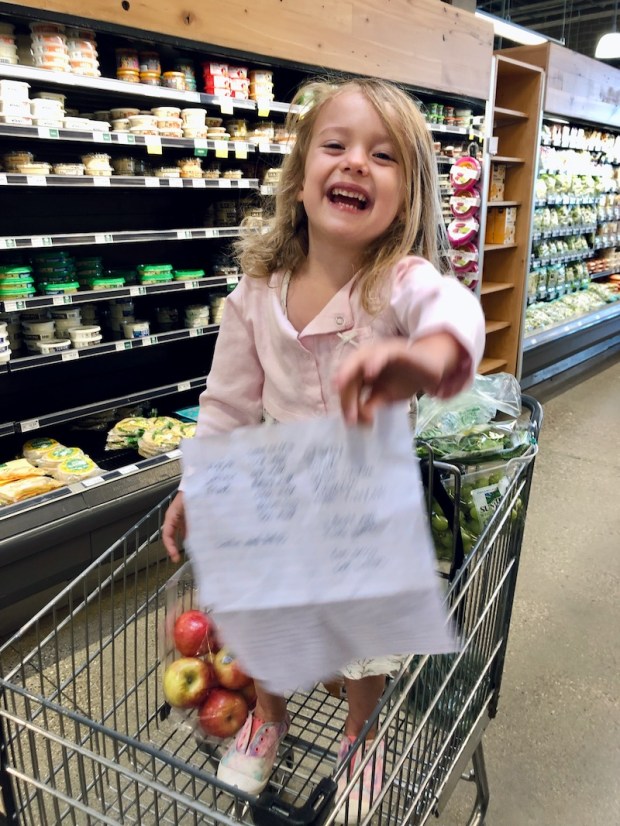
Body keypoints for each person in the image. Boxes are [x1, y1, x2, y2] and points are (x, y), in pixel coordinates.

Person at [163, 76, 485, 821]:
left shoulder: (399, 282)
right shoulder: (257, 290)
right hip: (271, 484)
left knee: (363, 630)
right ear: (301, 176)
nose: (354, 164)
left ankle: (361, 736)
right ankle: (266, 717)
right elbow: (227, 401)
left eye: (383, 155)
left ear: (407, 199)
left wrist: (433, 356)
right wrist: (196, 484)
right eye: (334, 146)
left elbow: (450, 309)